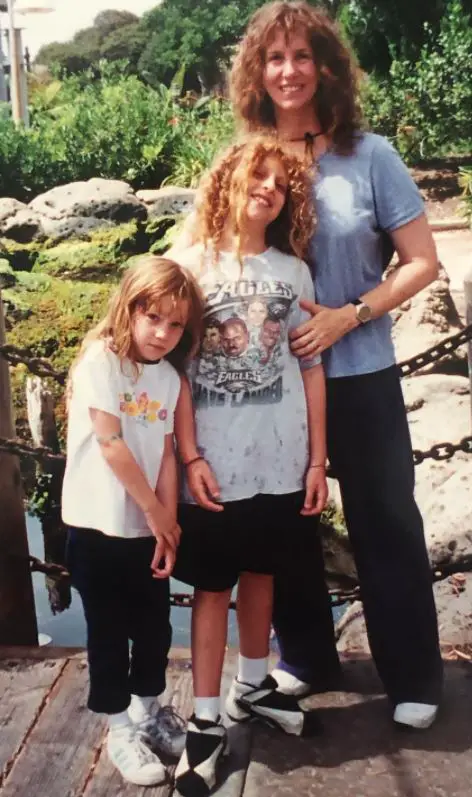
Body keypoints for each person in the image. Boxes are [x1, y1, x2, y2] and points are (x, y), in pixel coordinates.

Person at [229, 0, 443, 729]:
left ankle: (413, 675)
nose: (288, 71)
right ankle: (307, 659)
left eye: (301, 56)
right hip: (275, 387)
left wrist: (350, 313)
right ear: (258, 72)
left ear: (325, 67)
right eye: (274, 58)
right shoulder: (249, 160)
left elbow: (422, 263)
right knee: (288, 528)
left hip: (364, 376)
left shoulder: (371, 156)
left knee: (386, 525)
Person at [170, 134, 329, 796]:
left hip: (282, 460)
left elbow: (312, 367)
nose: (267, 186)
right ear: (226, 183)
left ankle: (254, 681)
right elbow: (171, 374)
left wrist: (318, 459)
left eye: (280, 180)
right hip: (215, 466)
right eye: (255, 174)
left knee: (264, 573)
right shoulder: (189, 266)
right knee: (213, 589)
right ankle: (205, 723)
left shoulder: (295, 272)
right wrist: (189, 455)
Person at [62, 256, 204, 786]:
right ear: (130, 308)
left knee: (154, 628)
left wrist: (166, 523)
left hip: (146, 527)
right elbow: (111, 442)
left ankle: (150, 711)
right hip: (98, 525)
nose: (163, 334)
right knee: (108, 630)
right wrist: (152, 508)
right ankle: (119, 726)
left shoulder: (167, 378)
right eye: (154, 319)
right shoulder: (101, 362)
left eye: (175, 325)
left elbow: (165, 451)